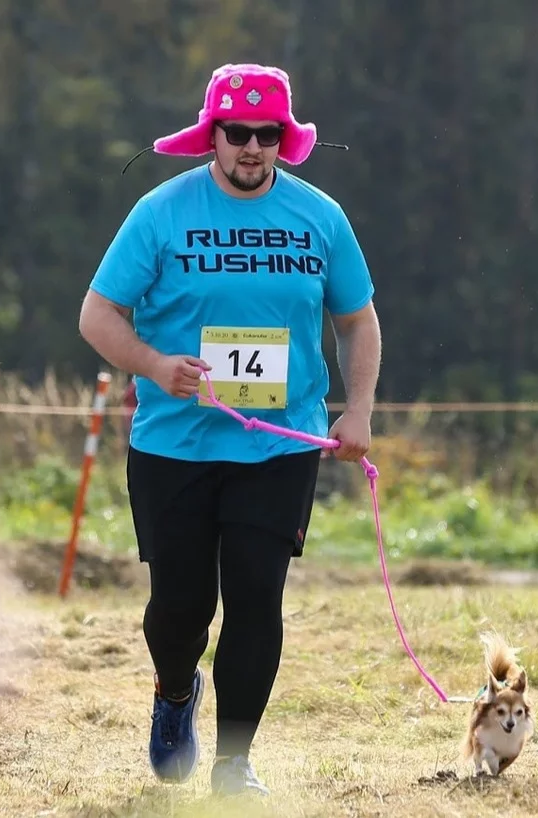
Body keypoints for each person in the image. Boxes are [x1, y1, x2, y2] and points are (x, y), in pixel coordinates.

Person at [78, 63, 381, 796]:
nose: (251, 147)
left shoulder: (320, 217)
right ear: (212, 135)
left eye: (266, 134)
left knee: (256, 599)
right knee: (181, 609)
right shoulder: (160, 212)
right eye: (237, 133)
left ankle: (233, 765)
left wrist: (360, 406)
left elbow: (357, 320)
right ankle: (175, 690)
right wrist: (154, 363)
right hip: (173, 445)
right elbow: (97, 315)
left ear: (285, 139)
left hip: (277, 447)